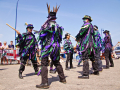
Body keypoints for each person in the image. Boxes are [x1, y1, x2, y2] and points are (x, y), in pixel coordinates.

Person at [36, 4, 66, 89]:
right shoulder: (58, 27)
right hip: (56, 47)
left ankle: (45, 83)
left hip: (48, 47)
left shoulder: (46, 25)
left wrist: (41, 32)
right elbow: (60, 38)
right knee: (57, 62)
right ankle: (63, 79)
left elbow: (41, 36)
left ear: (48, 17)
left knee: (44, 63)